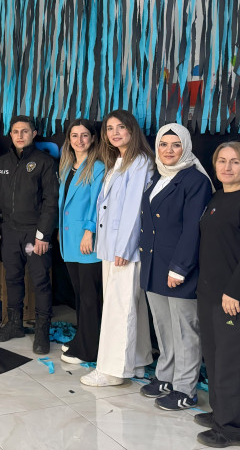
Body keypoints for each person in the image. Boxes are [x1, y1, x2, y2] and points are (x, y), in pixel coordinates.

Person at [195, 142, 240, 448]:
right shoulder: (217, 198)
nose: (227, 167)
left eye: (235, 162)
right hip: (210, 295)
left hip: (235, 298)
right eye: (222, 161)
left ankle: (232, 430)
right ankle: (220, 413)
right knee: (215, 359)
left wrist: (233, 292)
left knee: (231, 364)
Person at [138, 123, 212, 409]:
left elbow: (194, 228)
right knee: (164, 327)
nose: (168, 150)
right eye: (163, 144)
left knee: (184, 331)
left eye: (176, 145)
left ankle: (185, 389)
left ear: (186, 147)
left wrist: (180, 267)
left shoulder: (195, 181)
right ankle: (165, 376)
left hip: (179, 269)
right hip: (153, 264)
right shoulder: (158, 176)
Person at [81, 109, 153, 387]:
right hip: (110, 246)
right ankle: (137, 361)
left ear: (132, 130)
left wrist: (124, 247)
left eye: (120, 127)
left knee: (119, 307)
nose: (114, 133)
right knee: (130, 304)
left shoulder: (140, 162)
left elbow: (135, 210)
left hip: (123, 248)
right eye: (109, 129)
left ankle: (112, 371)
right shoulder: (117, 162)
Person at [0, 116, 58, 351]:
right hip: (9, 231)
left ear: (33, 134)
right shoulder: (0, 163)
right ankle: (14, 323)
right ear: (10, 134)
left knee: (40, 281)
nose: (19, 135)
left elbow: (51, 201)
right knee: (12, 278)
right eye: (15, 131)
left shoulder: (44, 162)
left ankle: (42, 332)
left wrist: (43, 235)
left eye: (25, 131)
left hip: (34, 232)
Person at [57, 118, 105, 364]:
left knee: (89, 298)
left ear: (93, 138)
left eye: (84, 135)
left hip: (86, 241)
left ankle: (89, 350)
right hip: (69, 240)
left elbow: (99, 202)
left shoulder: (97, 167)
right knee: (79, 296)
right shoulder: (67, 166)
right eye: (74, 135)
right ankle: (82, 339)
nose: (79, 140)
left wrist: (89, 231)